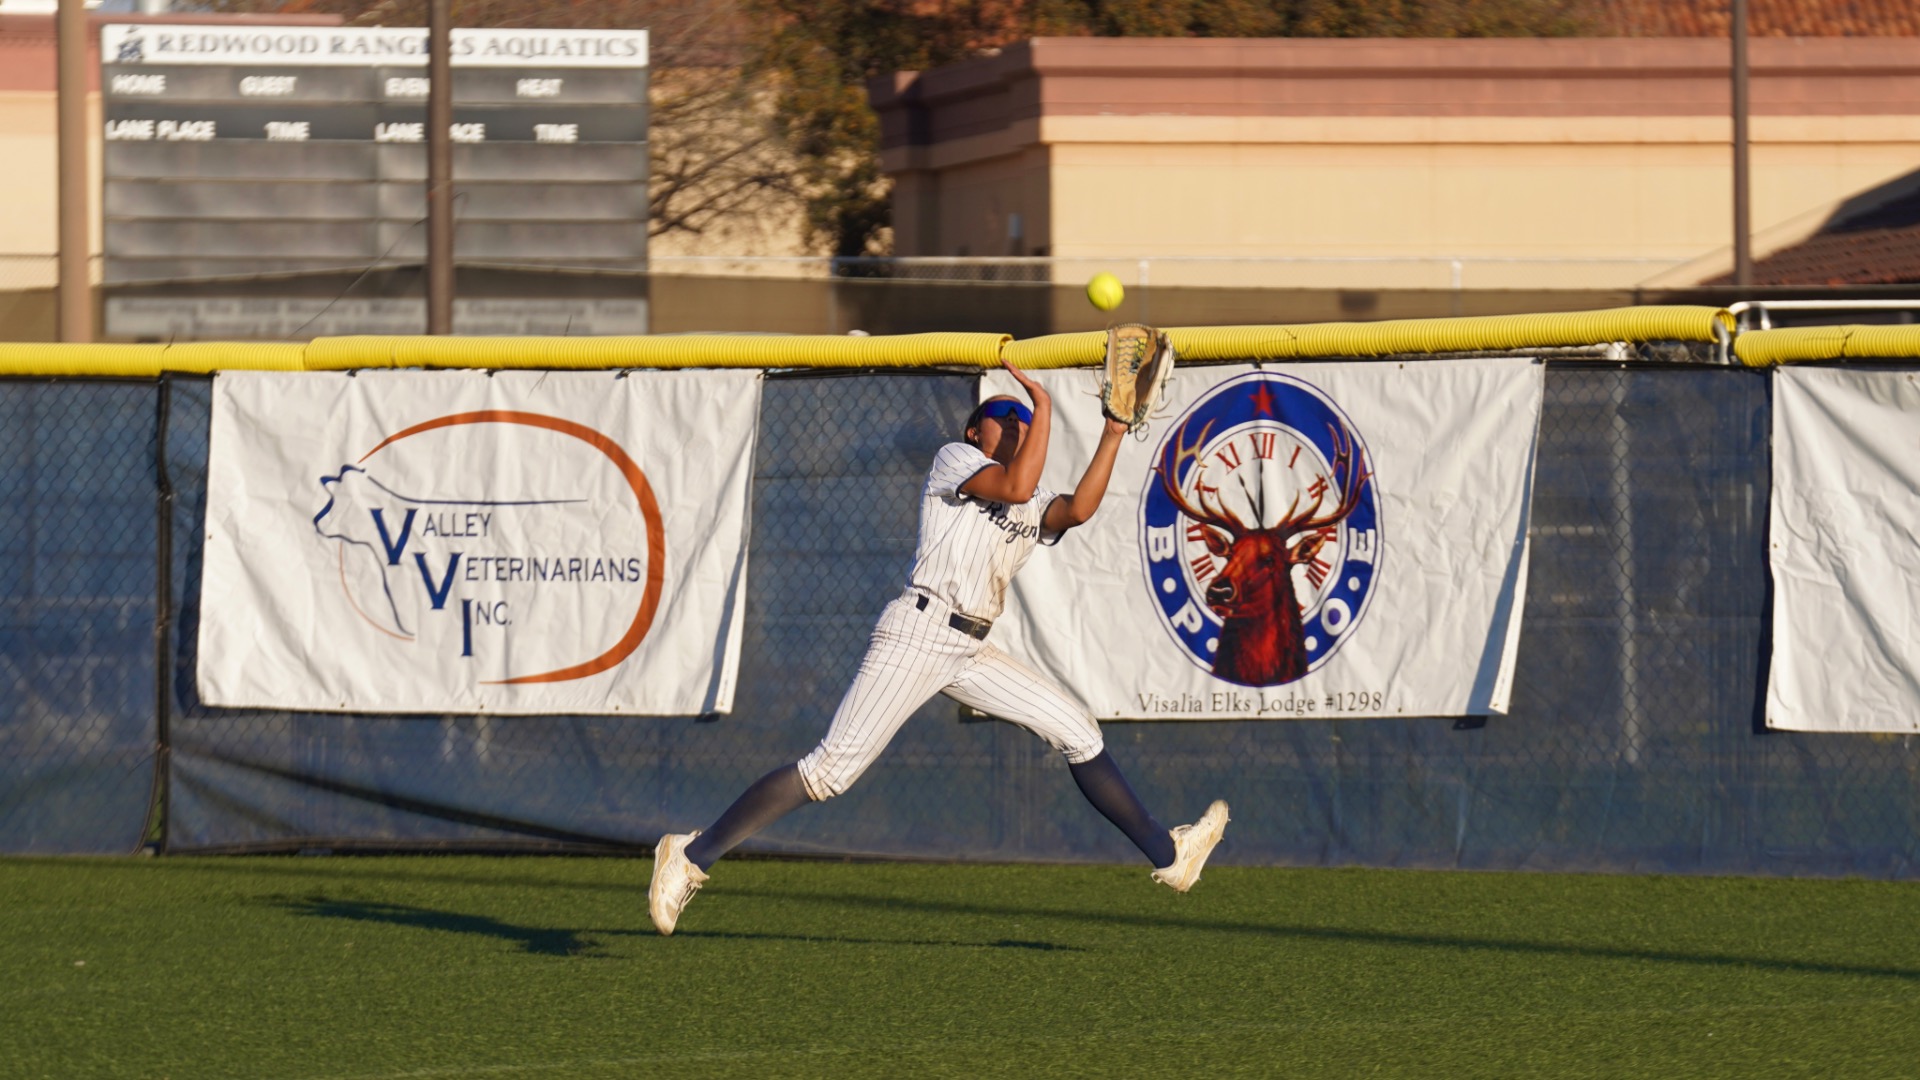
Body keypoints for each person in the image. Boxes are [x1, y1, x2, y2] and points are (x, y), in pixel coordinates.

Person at [648, 357, 1229, 935]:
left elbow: (1076, 509)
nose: (1020, 424)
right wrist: (1045, 404)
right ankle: (691, 855)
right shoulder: (957, 461)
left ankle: (1170, 857)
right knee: (828, 773)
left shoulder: (1029, 499)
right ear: (976, 431)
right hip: (918, 633)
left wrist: (1113, 432)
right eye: (1007, 416)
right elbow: (1018, 481)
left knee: (1079, 732)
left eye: (1026, 420)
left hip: (971, 647)